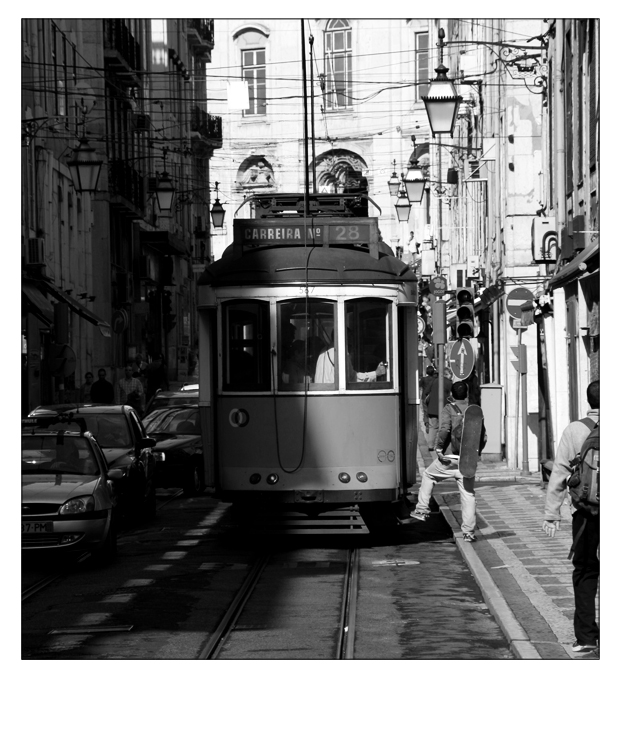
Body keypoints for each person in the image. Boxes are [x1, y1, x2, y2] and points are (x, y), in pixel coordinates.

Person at [542, 380, 599, 654]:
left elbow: (560, 474)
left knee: (586, 570)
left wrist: (552, 514)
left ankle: (587, 637)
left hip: (585, 513)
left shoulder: (575, 430)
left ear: (588, 401)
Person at [410, 380, 486, 541]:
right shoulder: (475, 412)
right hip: (466, 460)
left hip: (448, 458)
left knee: (429, 476)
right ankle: (468, 533)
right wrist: (475, 454)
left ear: (451, 394)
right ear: (466, 393)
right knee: (468, 495)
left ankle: (422, 509)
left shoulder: (448, 409)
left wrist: (438, 448)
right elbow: (483, 437)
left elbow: (444, 429)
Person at [314, 332, 386, 384]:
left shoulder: (323, 350)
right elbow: (353, 378)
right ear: (344, 338)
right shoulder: (340, 352)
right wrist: (376, 373)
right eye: (350, 342)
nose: (351, 346)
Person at [426, 366, 453, 450]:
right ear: (447, 374)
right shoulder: (449, 383)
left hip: (432, 408)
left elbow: (426, 391)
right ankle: (441, 446)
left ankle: (430, 446)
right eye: (450, 375)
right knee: (444, 427)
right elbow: (452, 395)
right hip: (444, 409)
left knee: (433, 427)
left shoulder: (434, 381)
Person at [420, 365, 436, 432]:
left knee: (425, 410)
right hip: (432, 396)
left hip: (424, 396)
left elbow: (420, 385)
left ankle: (426, 423)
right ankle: (433, 423)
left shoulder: (423, 379)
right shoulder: (435, 379)